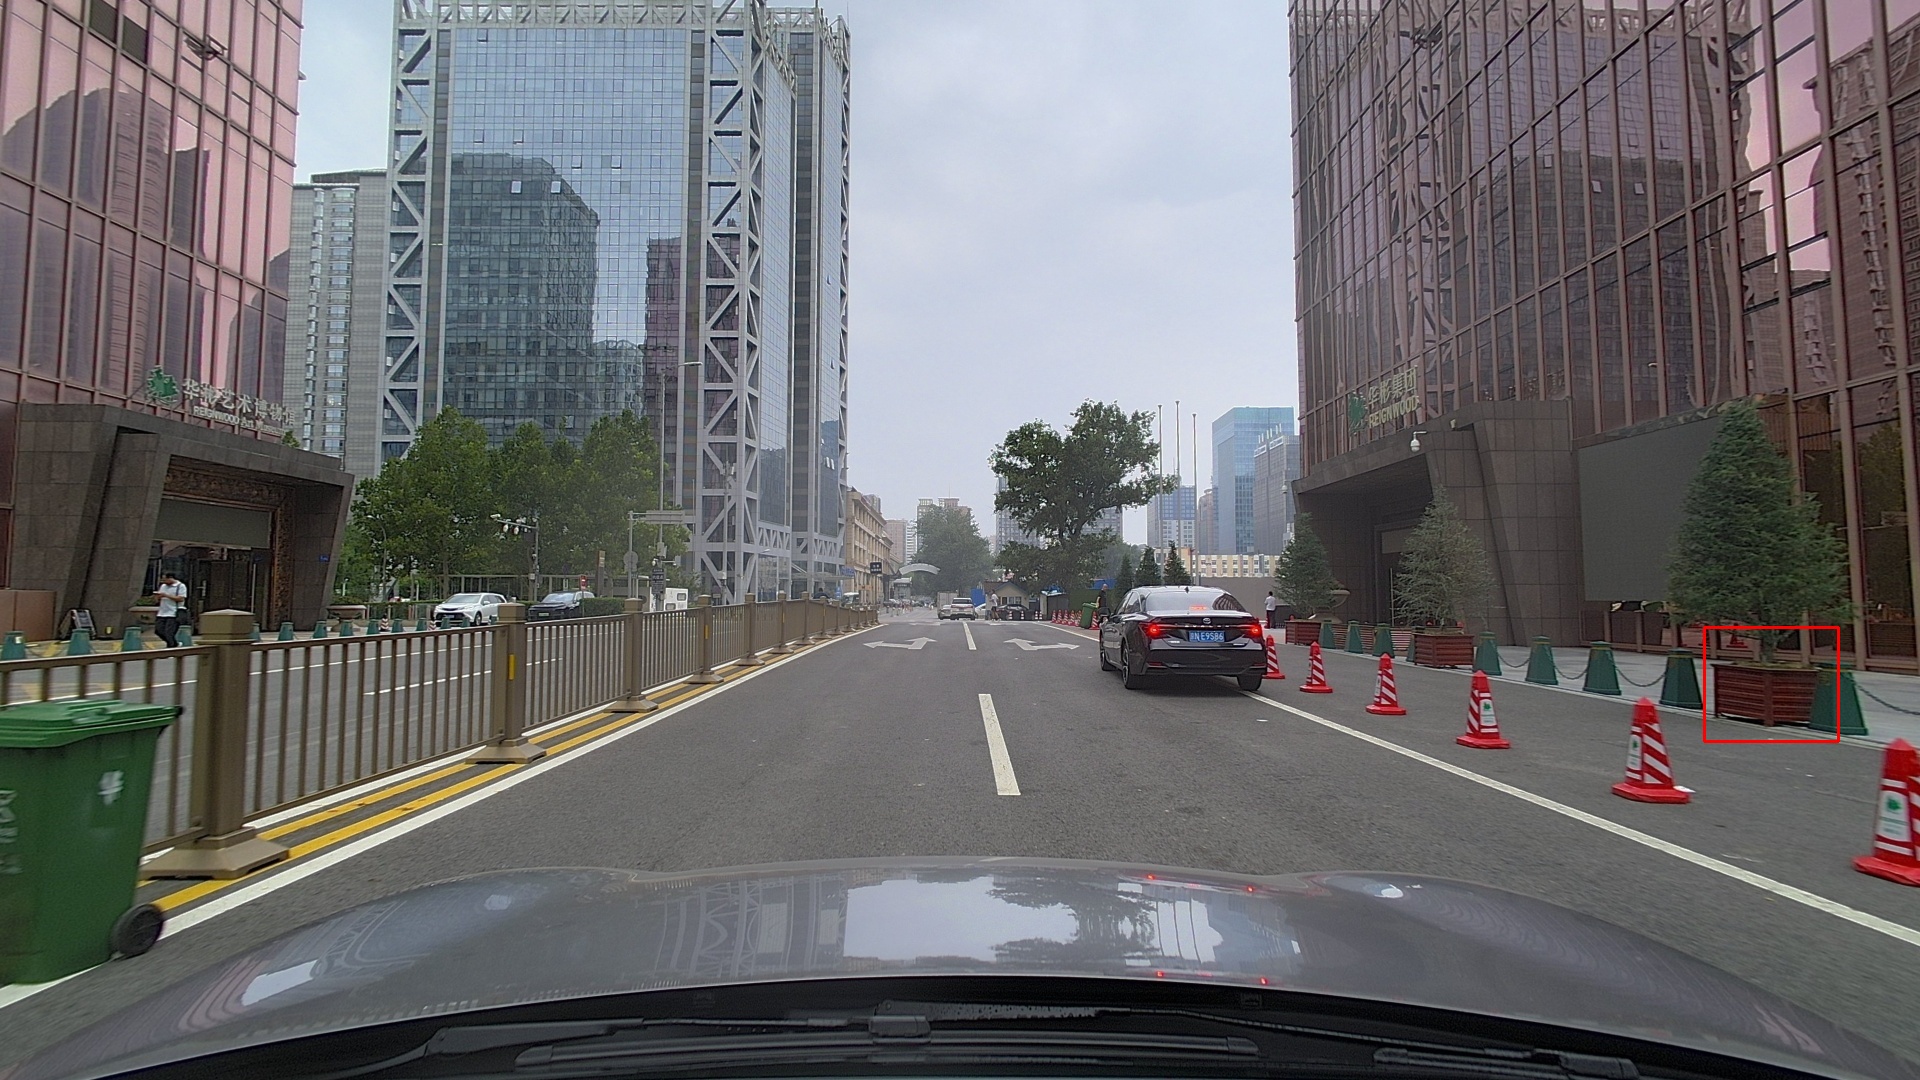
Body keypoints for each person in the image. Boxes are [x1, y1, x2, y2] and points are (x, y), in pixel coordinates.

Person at [152, 573, 188, 647]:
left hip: (173, 612)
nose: (164, 582)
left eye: (165, 580)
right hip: (162, 612)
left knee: (169, 633)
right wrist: (157, 597)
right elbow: (158, 598)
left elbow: (181, 598)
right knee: (158, 630)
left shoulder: (180, 586)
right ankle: (175, 644)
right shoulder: (163, 586)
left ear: (170, 578)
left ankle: (171, 647)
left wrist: (166, 595)